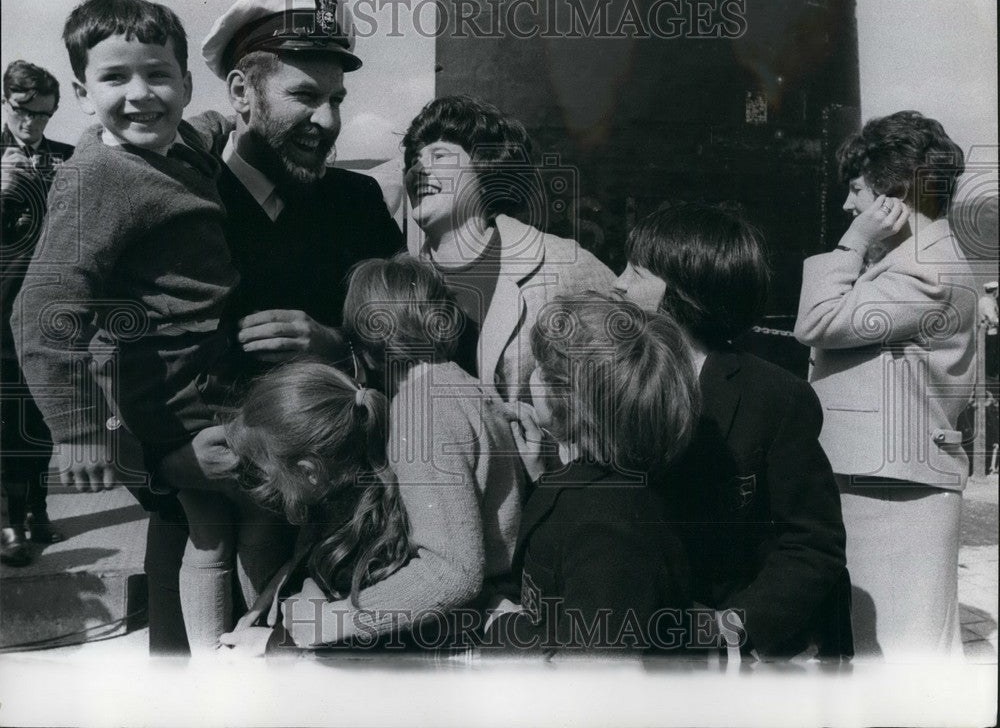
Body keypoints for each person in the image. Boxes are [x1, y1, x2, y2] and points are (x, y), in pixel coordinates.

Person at [9, 0, 291, 652]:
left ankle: (226, 649)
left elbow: (210, 127)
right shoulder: (98, 179)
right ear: (82, 92)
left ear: (185, 83)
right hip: (170, 385)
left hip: (205, 365)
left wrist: (240, 110)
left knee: (219, 521)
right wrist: (79, 433)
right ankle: (239, 650)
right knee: (247, 509)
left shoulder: (180, 142)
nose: (140, 94)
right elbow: (41, 313)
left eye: (158, 75)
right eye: (115, 78)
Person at [143, 0, 407, 654]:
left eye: (337, 100)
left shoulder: (358, 204)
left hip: (328, 531)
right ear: (240, 94)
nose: (328, 121)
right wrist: (165, 464)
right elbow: (105, 354)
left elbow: (423, 348)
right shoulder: (172, 202)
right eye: (305, 96)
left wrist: (338, 344)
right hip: (196, 524)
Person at [614, 202, 851, 660]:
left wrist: (734, 626)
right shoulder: (613, 380)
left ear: (684, 287)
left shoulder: (774, 398)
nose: (617, 283)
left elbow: (812, 542)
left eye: (636, 272)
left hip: (725, 649)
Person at [795, 111, 978, 659]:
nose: (850, 205)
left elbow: (817, 321)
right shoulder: (915, 262)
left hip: (892, 487)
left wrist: (853, 243)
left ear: (892, 195)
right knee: (880, 651)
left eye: (857, 190)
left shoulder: (926, 270)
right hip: (886, 480)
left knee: (899, 657)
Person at [277, 255, 524, 647]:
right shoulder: (464, 385)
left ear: (366, 344)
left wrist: (331, 621)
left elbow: (452, 572)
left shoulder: (420, 412)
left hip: (458, 630)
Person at [485, 294, 697, 655]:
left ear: (570, 403)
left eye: (540, 368)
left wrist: (501, 625)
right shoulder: (603, 488)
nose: (531, 375)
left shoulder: (610, 534)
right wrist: (544, 476)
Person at [402, 95, 615, 404]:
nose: (417, 169)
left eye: (439, 155)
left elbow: (634, 369)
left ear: (485, 169)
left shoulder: (559, 264)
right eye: (412, 160)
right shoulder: (402, 281)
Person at [219, 360, 409, 653]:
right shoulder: (351, 494)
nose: (268, 485)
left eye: (269, 474)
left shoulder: (361, 546)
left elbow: (351, 648)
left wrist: (273, 645)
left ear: (309, 472)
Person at [1, 60, 74, 566]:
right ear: (6, 103)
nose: (33, 125)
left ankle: (37, 510)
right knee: (7, 419)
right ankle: (9, 521)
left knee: (40, 417)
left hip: (46, 312)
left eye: (44, 116)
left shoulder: (66, 159)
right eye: (24, 113)